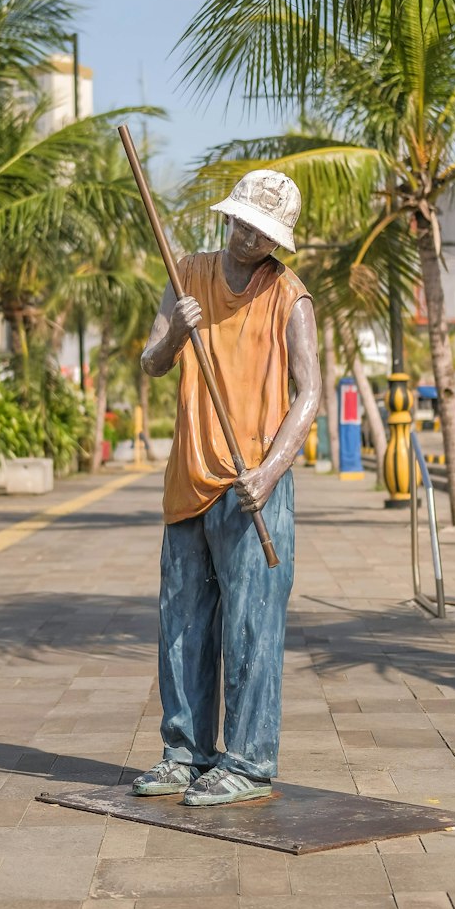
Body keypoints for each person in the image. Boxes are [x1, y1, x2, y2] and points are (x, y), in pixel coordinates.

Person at [132, 170, 321, 806]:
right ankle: (184, 752)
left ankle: (246, 761)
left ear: (277, 242)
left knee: (250, 627)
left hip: (251, 488)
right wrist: (179, 332)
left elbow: (310, 392)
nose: (246, 238)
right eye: (241, 223)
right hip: (189, 478)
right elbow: (151, 362)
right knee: (181, 623)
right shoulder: (187, 273)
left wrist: (270, 472)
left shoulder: (289, 297)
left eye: (261, 233)